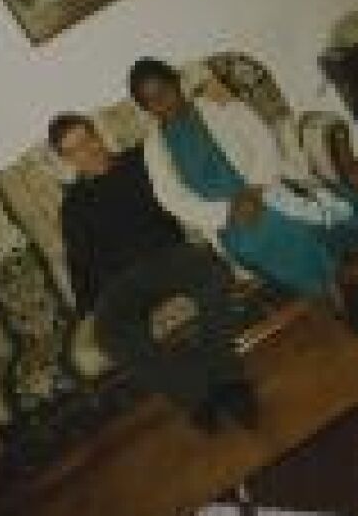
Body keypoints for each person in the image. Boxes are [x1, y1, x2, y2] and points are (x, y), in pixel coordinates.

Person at [50, 112, 255, 432]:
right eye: (74, 150)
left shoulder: (141, 161)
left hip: (169, 258)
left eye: (87, 140)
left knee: (213, 275)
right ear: (66, 160)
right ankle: (197, 394)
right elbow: (80, 264)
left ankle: (228, 381)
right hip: (122, 284)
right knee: (110, 333)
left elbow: (183, 173)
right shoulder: (72, 206)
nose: (86, 152)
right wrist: (87, 310)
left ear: (98, 134)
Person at [130, 58, 358, 318]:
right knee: (265, 235)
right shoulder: (154, 149)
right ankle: (330, 293)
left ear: (176, 82)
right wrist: (227, 212)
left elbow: (263, 141)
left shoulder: (219, 104)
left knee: (309, 215)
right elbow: (172, 199)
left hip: (264, 186)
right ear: (145, 108)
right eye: (151, 101)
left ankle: (335, 285)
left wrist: (252, 190)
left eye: (164, 91)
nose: (162, 103)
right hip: (227, 221)